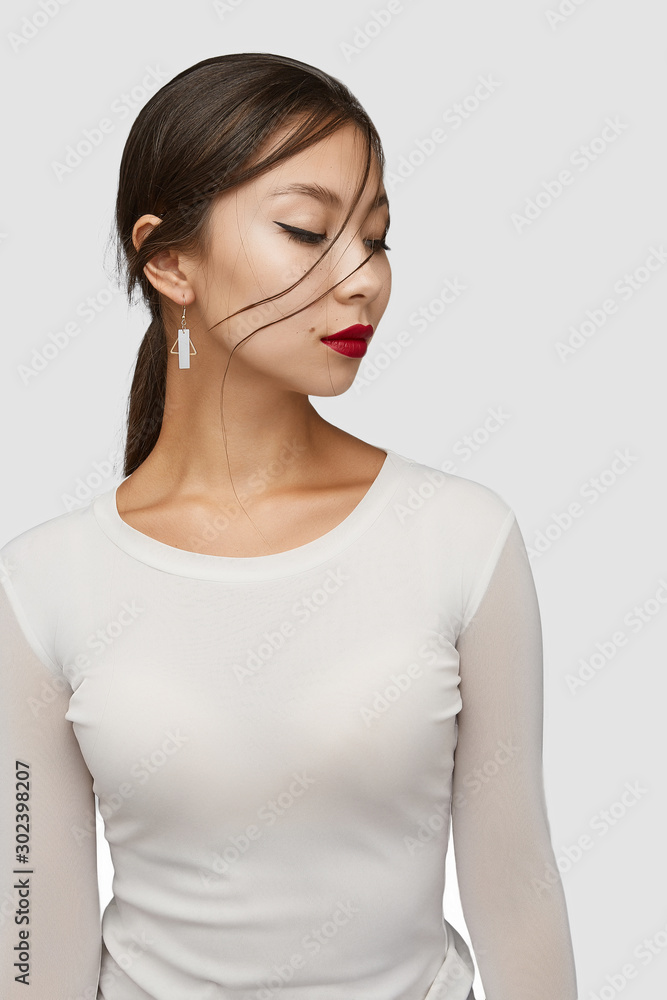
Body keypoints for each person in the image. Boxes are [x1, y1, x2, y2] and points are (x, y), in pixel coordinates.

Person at [0, 53, 579, 999]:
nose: (362, 280)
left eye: (375, 239)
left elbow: (517, 894)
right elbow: (30, 940)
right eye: (308, 231)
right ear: (168, 259)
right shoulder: (43, 584)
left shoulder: (459, 539)